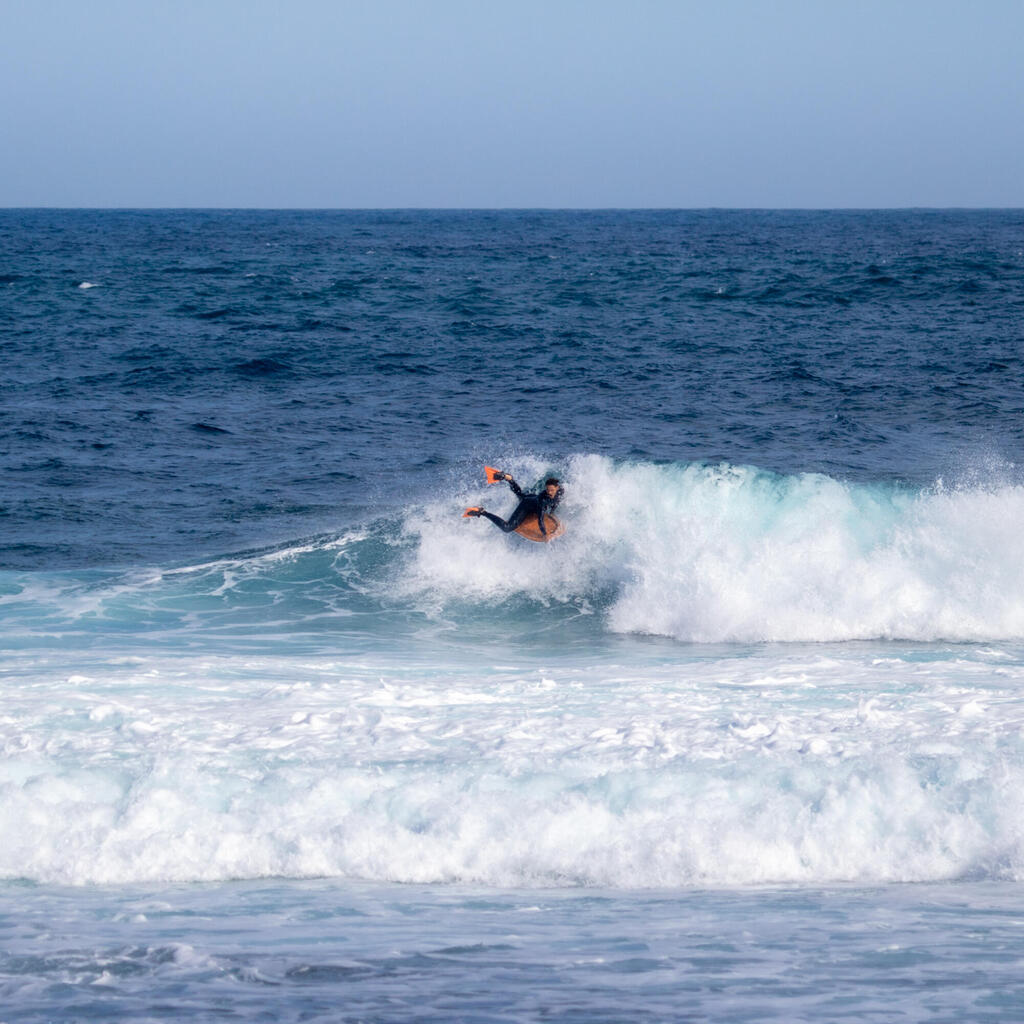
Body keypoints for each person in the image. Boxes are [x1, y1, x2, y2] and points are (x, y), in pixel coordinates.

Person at [465, 472, 564, 537]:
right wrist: (545, 534)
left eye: (552, 490)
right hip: (527, 505)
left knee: (521, 495)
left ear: (557, 487)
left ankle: (509, 479)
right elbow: (540, 520)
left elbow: (556, 502)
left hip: (532, 498)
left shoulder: (560, 491)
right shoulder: (543, 500)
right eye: (547, 490)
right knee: (507, 528)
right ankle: (482, 512)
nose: (550, 492)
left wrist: (552, 512)